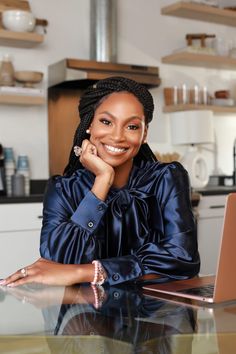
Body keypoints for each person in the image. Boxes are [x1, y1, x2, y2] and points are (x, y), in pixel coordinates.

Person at [0, 76, 200, 289]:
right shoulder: (63, 189)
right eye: (106, 122)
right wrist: (102, 181)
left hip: (155, 312)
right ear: (89, 125)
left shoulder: (166, 178)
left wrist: (89, 272)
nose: (117, 136)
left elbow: (183, 260)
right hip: (84, 314)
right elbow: (59, 260)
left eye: (131, 126)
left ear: (144, 134)